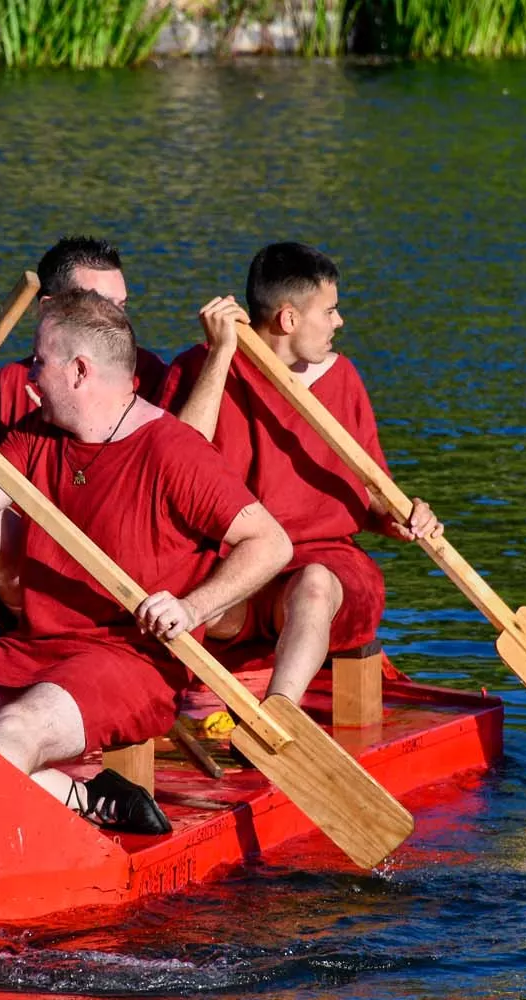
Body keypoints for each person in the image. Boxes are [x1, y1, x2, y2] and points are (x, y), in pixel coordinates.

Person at [0, 290, 291, 835]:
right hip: (35, 647)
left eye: (39, 360)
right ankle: (70, 794)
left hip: (132, 660)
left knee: (14, 728)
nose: (28, 377)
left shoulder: (172, 450)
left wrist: (190, 605)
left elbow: (272, 543)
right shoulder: (35, 435)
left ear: (80, 370)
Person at [159, 242, 443, 707]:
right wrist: (219, 356)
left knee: (313, 584)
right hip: (233, 565)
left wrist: (403, 517)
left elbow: (370, 492)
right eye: (329, 310)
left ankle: (279, 716)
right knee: (188, 592)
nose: (339, 322)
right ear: (289, 319)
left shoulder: (343, 377)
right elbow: (176, 463)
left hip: (322, 563)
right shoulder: (200, 368)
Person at [0, 236, 168, 650]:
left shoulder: (152, 374)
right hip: (35, 563)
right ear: (49, 309)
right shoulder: (13, 383)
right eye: (98, 304)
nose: (116, 321)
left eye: (121, 307)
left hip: (124, 568)